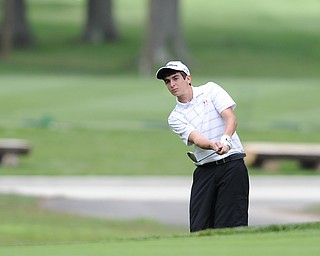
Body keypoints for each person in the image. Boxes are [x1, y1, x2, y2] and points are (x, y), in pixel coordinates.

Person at [155, 61, 249, 232]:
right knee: (199, 228)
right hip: (205, 171)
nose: (172, 84)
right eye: (167, 81)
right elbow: (197, 138)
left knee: (231, 226)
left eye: (175, 78)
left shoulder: (211, 90)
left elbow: (230, 118)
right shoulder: (175, 117)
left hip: (232, 166)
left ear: (188, 78)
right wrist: (213, 145)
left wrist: (226, 140)